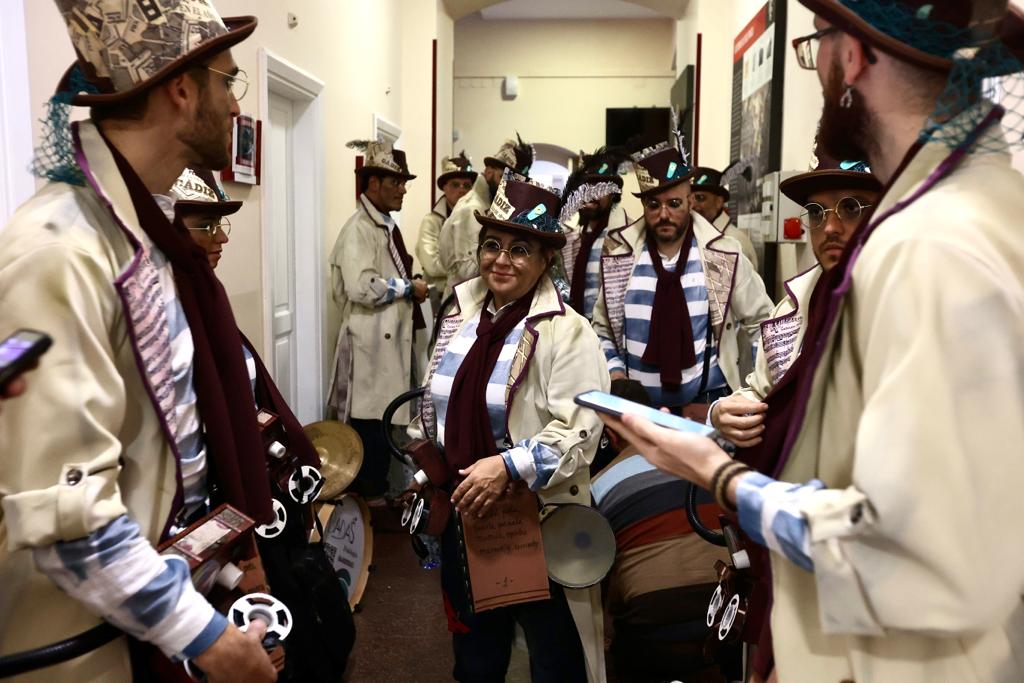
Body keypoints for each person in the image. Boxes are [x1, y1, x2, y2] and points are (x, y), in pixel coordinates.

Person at [600, 2, 1024, 681]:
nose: (818, 63)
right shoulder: (979, 208)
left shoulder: (931, 247)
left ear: (851, 56)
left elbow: (918, 556)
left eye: (817, 44)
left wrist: (720, 474)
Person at [0, 2, 288, 681]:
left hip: (152, 617)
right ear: (182, 90)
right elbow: (71, 516)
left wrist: (222, 569)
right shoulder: (59, 250)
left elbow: (168, 455)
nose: (236, 103)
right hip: (88, 649)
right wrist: (210, 640)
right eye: (229, 80)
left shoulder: (146, 242)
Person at [409, 171, 609, 683]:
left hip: (539, 523)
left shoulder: (568, 331)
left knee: (554, 658)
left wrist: (507, 465)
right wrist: (426, 457)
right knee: (476, 656)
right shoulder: (461, 310)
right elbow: (435, 395)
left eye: (521, 249)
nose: (502, 259)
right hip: (465, 515)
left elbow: (581, 431)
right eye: (492, 244)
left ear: (546, 261)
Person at [591, 130, 772, 417]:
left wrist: (755, 388)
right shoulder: (619, 255)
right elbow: (601, 328)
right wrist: (615, 374)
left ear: (690, 201)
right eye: (653, 204)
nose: (664, 214)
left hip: (709, 405)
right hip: (637, 411)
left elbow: (763, 322)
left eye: (674, 204)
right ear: (643, 205)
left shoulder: (723, 253)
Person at [710, 158, 881, 447]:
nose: (829, 227)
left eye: (850, 208)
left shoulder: (910, 309)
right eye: (816, 212)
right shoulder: (792, 308)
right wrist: (721, 413)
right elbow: (763, 390)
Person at [591, 378, 733, 683]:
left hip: (651, 630)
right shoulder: (700, 458)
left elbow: (600, 582)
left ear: (611, 435)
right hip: (727, 617)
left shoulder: (598, 486)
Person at [328, 139, 427, 501]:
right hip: (369, 343)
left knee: (384, 420)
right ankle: (367, 506)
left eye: (404, 183)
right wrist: (408, 288)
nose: (403, 190)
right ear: (373, 184)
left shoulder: (383, 226)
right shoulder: (359, 229)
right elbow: (361, 287)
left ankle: (379, 496)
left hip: (384, 342)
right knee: (369, 423)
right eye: (396, 183)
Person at [437, 135, 534, 299]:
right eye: (505, 177)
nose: (509, 185)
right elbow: (467, 272)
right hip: (462, 308)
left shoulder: (489, 206)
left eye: (516, 180)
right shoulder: (472, 209)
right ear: (489, 171)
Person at [558, 146, 631, 321]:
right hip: (576, 333)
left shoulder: (628, 234)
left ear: (613, 193)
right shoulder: (572, 238)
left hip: (610, 337)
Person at [416, 152, 477, 313]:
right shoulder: (431, 221)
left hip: (469, 298)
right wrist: (468, 269)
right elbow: (432, 266)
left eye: (467, 185)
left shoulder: (479, 219)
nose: (462, 190)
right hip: (436, 299)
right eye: (455, 185)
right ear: (444, 187)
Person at [689, 166, 759, 270]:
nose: (693, 205)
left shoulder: (733, 243)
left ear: (719, 202)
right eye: (689, 199)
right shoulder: (693, 235)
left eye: (700, 198)